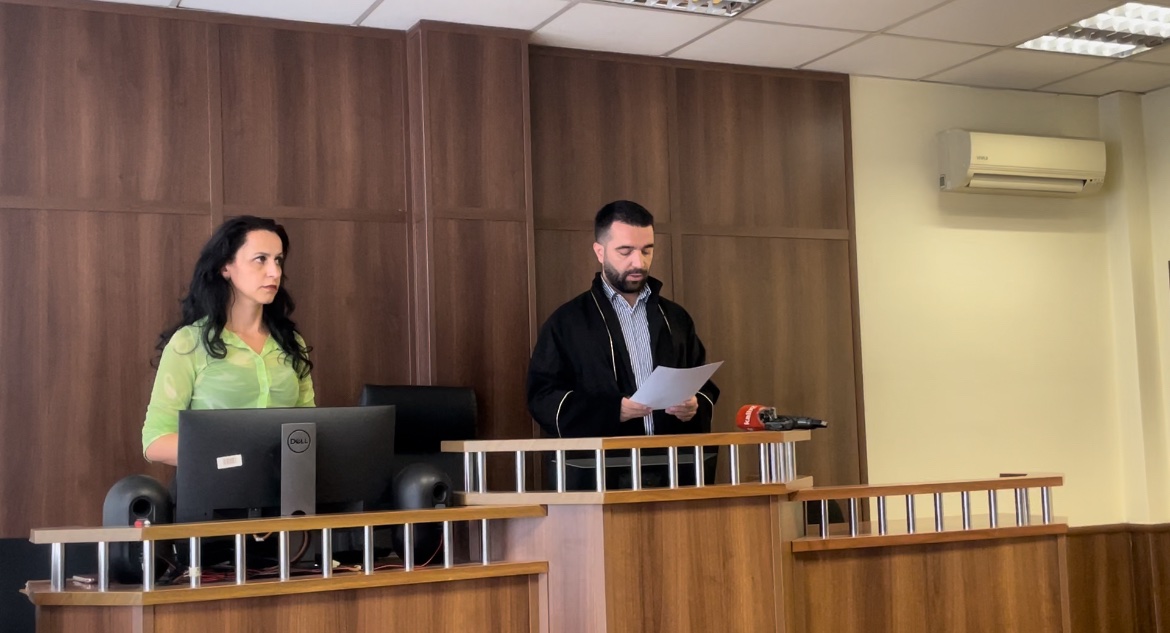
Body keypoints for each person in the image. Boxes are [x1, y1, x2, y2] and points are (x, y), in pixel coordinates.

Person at [527, 200, 719, 441]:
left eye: (647, 250)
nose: (638, 262)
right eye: (625, 251)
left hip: (672, 464)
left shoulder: (675, 318)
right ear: (600, 252)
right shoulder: (567, 322)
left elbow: (703, 386)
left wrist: (694, 405)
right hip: (603, 469)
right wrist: (610, 411)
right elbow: (542, 397)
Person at [141, 216, 315, 466]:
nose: (275, 272)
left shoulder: (291, 342)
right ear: (226, 267)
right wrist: (238, 453)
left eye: (278, 260)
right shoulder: (189, 343)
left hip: (282, 494)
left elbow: (309, 429)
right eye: (260, 259)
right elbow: (155, 441)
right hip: (213, 495)